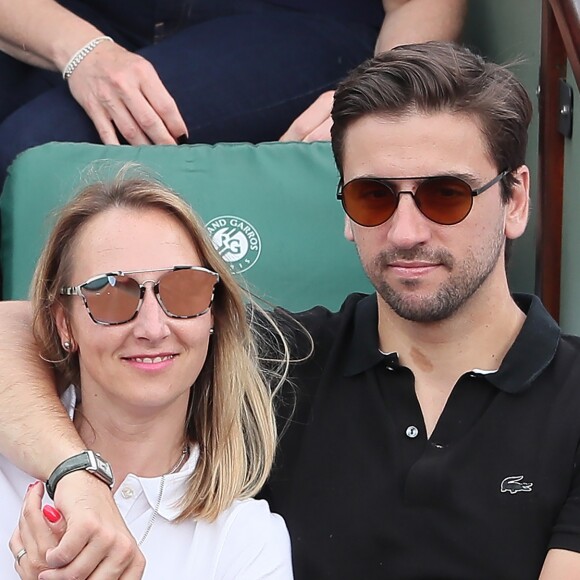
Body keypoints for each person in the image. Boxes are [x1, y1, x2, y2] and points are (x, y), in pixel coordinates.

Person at [2, 40, 580, 579]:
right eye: (373, 196)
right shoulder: (283, 360)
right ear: (346, 213)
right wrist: (76, 475)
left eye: (445, 195)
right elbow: (16, 330)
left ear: (515, 200)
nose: (405, 231)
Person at [0, 173, 293, 578]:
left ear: (213, 314)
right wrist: (75, 472)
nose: (153, 328)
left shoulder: (247, 539)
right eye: (111, 293)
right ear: (64, 324)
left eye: (185, 288)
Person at [0, 0, 467, 184]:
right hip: (83, 20)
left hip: (289, 22)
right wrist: (83, 52)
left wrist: (381, 90)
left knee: (42, 146)